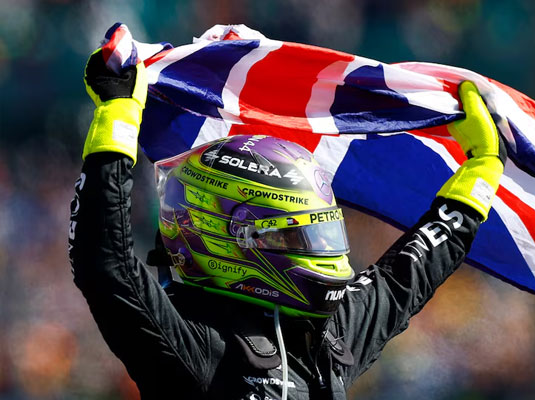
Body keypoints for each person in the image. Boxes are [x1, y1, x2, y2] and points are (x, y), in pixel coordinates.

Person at [68, 46, 506, 400]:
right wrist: (118, 117)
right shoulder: (194, 343)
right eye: (292, 231)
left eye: (321, 228)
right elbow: (106, 264)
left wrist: (481, 172)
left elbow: (406, 276)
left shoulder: (327, 328)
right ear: (231, 236)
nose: (319, 246)